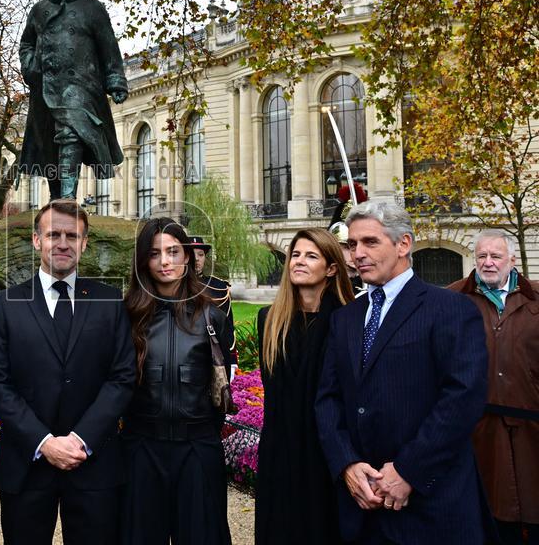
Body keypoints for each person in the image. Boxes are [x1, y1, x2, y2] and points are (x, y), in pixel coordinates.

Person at [315, 201, 491, 544]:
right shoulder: (346, 318)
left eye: (370, 242)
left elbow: (462, 399)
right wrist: (347, 465)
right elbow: (327, 399)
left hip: (431, 507)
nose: (357, 254)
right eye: (352, 245)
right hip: (362, 509)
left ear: (403, 244)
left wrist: (408, 470)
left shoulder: (450, 309)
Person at [0, 199, 136, 545]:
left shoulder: (109, 301)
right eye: (54, 234)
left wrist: (80, 440)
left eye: (72, 235)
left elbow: (122, 377)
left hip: (93, 462)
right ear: (37, 240)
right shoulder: (7, 304)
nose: (63, 243)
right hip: (27, 461)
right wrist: (45, 442)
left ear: (84, 243)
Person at [120, 218, 232, 545]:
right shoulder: (126, 315)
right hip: (142, 449)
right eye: (155, 253)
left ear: (187, 256)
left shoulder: (213, 316)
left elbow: (221, 379)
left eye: (173, 251)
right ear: (143, 260)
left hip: (197, 449)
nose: (165, 261)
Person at [255, 228, 355, 545]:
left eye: (311, 256)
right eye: (295, 255)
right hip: (280, 451)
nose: (299, 261)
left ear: (331, 268)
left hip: (326, 453)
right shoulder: (269, 319)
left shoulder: (349, 321)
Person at [448, 230, 539, 544]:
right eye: (481, 256)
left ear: (512, 260)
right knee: (488, 514)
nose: (487, 263)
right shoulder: (452, 299)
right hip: (478, 431)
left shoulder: (535, 298)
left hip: (532, 429)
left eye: (495, 256)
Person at [18, 0, 128, 200]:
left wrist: (115, 80)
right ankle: (58, 196)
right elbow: (26, 43)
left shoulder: (93, 9)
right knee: (50, 144)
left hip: (82, 85)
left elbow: (108, 47)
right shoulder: (39, 10)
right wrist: (30, 67)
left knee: (71, 133)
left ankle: (68, 197)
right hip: (45, 85)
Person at [189, 235, 236, 371]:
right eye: (192, 254)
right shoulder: (173, 287)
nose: (197, 259)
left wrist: (232, 359)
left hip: (215, 355)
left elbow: (228, 325)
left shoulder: (218, 287)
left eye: (201, 254)